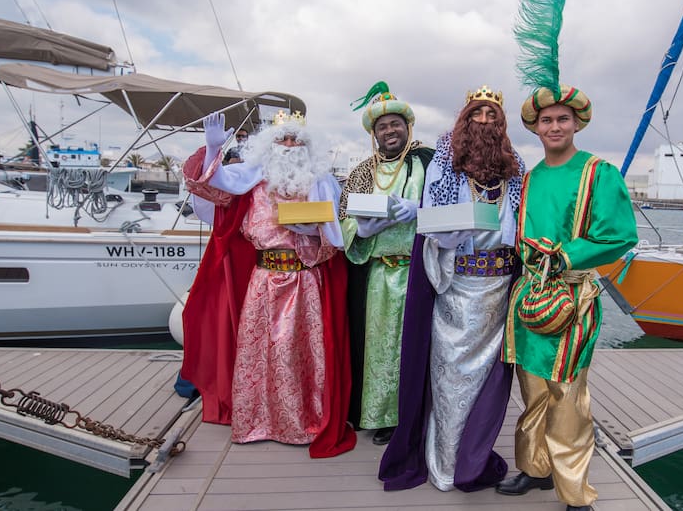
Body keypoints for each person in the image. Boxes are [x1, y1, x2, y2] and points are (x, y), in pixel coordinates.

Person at [496, 0, 638, 510]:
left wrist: (566, 256)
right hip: (529, 298)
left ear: (577, 122)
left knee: (569, 395)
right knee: (530, 390)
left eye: (563, 119)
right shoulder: (529, 176)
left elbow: (620, 237)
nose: (555, 126)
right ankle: (533, 468)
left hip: (573, 298)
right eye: (547, 120)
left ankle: (575, 491)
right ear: (536, 128)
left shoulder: (600, 173)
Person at [178, 110, 356, 458]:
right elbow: (215, 187)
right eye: (282, 139)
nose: (289, 145)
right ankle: (257, 422)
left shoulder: (321, 182)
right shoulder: (252, 180)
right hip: (262, 281)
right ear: (269, 145)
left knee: (298, 354)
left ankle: (301, 422)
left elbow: (338, 237)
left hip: (304, 283)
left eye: (296, 139)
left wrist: (315, 232)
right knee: (260, 354)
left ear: (307, 147)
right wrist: (214, 149)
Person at [379, 85, 524, 492]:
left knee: (487, 383)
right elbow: (433, 222)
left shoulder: (516, 165)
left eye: (491, 115)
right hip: (457, 286)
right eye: (477, 114)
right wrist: (442, 228)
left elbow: (524, 224)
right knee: (451, 378)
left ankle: (471, 457)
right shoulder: (446, 159)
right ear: (465, 119)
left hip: (499, 291)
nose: (484, 122)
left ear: (501, 122)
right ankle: (444, 462)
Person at [339, 82, 434, 446]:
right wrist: (361, 229)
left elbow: (447, 211)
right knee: (379, 348)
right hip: (378, 274)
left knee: (417, 346)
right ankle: (382, 415)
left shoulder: (427, 162)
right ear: (373, 134)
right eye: (382, 127)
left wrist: (419, 213)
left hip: (421, 272)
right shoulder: (363, 171)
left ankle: (416, 414)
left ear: (407, 127)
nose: (389, 131)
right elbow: (345, 217)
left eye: (395, 124)